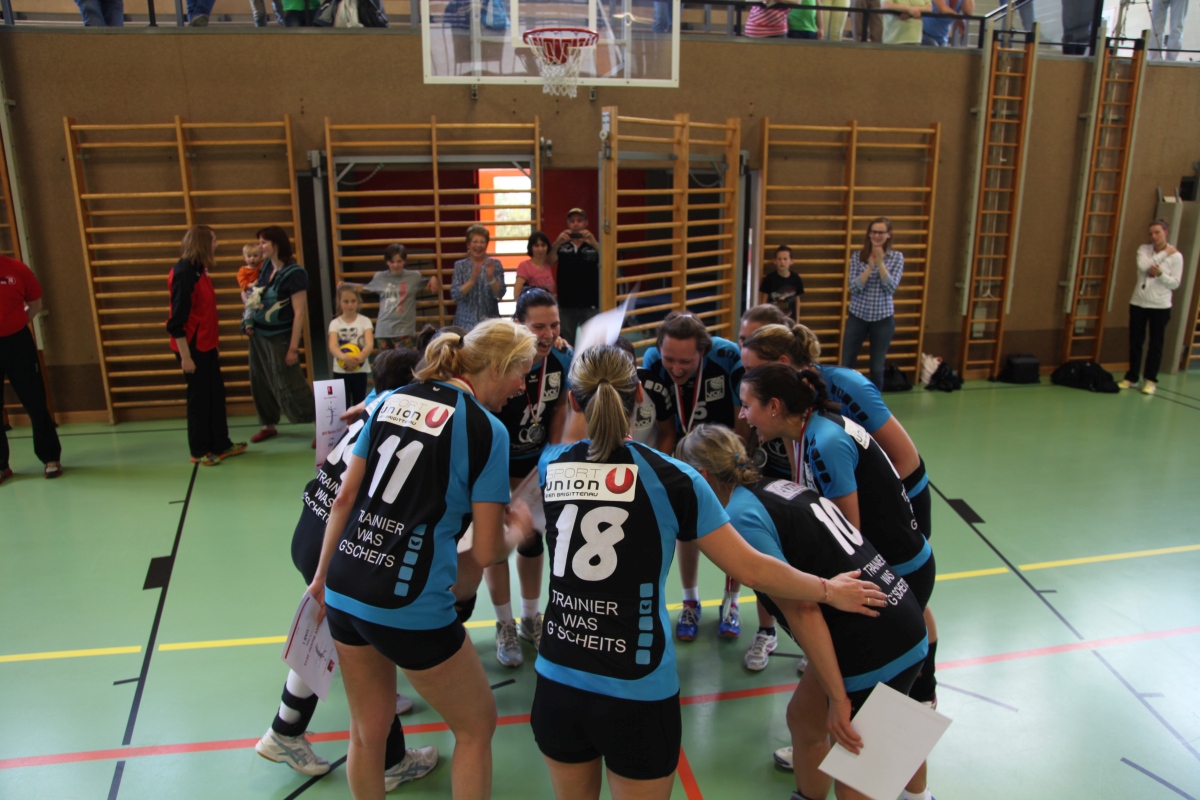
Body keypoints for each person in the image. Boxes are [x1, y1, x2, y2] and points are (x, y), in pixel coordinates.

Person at [531, 345, 889, 800]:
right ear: (640, 395)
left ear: (573, 400)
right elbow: (753, 569)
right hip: (636, 685)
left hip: (558, 678)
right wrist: (828, 590)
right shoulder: (675, 478)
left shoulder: (550, 465)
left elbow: (580, 446)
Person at [306, 318, 537, 800]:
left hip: (346, 583)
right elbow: (487, 551)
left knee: (367, 731)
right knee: (476, 727)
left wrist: (322, 576)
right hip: (409, 600)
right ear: (497, 367)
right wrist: (518, 531)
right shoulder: (486, 429)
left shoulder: (392, 399)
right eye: (521, 373)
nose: (522, 386)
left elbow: (344, 497)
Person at [676, 424, 931, 800]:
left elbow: (803, 612)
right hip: (896, 611)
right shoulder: (771, 488)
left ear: (702, 476)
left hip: (872, 640)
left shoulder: (741, 518)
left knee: (855, 770)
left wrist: (839, 700)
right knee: (805, 718)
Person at [256, 349, 433, 790]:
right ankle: (390, 761)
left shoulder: (373, 409)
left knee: (330, 635)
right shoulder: (402, 423)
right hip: (332, 544)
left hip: (307, 529)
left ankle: (285, 730)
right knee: (365, 646)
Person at [741, 323, 939, 701]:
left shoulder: (825, 442)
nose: (743, 415)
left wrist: (818, 590)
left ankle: (920, 700)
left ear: (775, 406)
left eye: (748, 405)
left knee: (882, 691)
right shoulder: (808, 429)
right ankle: (915, 700)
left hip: (898, 564)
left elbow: (849, 537)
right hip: (893, 560)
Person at [641, 313, 750, 640]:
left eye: (685, 361)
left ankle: (731, 601)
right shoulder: (652, 360)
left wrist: (734, 463)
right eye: (669, 359)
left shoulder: (727, 357)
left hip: (722, 454)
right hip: (681, 453)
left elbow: (743, 416)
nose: (675, 369)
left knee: (733, 528)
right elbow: (661, 420)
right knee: (686, 530)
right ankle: (690, 601)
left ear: (703, 350)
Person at [486, 288, 573, 667]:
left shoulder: (561, 359)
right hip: (496, 467)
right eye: (539, 326)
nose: (549, 334)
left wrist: (552, 454)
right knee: (494, 544)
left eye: (554, 325)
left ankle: (529, 618)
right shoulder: (499, 361)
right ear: (518, 325)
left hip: (534, 466)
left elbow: (559, 407)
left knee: (532, 540)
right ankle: (504, 624)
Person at [166, 225, 246, 467]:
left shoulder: (201, 269)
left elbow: (205, 312)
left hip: (206, 345)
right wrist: (185, 356)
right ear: (202, 243)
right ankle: (199, 449)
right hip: (191, 347)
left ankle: (221, 444)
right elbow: (177, 320)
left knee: (215, 395)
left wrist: (213, 344)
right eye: (213, 240)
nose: (217, 245)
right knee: (199, 400)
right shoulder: (184, 273)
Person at [245, 226, 315, 444]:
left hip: (280, 337)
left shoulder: (295, 273)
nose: (260, 247)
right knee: (260, 380)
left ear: (275, 245)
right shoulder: (266, 267)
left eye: (263, 242)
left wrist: (293, 347)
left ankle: (321, 425)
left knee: (291, 382)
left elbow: (299, 313)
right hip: (259, 336)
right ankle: (268, 424)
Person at [0, 254, 62, 484]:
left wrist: (16, 324)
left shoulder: (17, 269)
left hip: (17, 342)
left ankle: (50, 458)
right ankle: (1, 466)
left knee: (35, 401)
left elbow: (35, 304)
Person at [1119, 219, 1183, 396]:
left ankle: (1150, 380)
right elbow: (1143, 266)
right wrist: (1163, 254)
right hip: (1138, 303)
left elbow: (1175, 283)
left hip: (1160, 306)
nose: (1154, 237)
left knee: (1156, 344)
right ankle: (1132, 377)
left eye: (1157, 233)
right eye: (1151, 233)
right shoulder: (1144, 250)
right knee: (1135, 341)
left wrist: (1161, 274)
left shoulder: (1176, 256)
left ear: (1166, 232)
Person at [841, 217, 903, 390]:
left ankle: (874, 403)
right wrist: (869, 267)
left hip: (883, 319)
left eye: (881, 232)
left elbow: (890, 287)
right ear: (869, 234)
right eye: (873, 232)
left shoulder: (897, 257)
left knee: (876, 367)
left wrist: (881, 263)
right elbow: (854, 287)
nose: (876, 236)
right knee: (847, 363)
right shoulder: (858, 256)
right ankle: (842, 398)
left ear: (889, 234)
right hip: (858, 317)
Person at [360, 243, 438, 353]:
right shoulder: (380, 277)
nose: (395, 265)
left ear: (404, 261)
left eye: (399, 261)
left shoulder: (414, 277)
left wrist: (433, 278)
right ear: (387, 262)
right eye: (392, 262)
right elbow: (365, 287)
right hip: (384, 330)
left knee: (404, 361)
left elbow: (428, 281)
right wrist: (345, 285)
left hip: (404, 330)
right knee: (386, 362)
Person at [552, 209, 600, 346]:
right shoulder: (562, 245)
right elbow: (549, 261)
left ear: (586, 223)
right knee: (567, 344)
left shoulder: (593, 245)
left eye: (579, 220)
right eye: (572, 221)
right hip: (566, 304)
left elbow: (607, 261)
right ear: (568, 224)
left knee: (592, 343)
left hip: (590, 303)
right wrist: (557, 242)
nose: (576, 224)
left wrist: (594, 243)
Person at [328, 284, 375, 407]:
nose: (350, 305)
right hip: (341, 370)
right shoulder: (335, 323)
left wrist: (358, 359)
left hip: (360, 369)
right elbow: (333, 346)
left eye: (353, 301)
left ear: (358, 301)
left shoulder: (365, 321)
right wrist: (345, 358)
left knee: (359, 402)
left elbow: (369, 344)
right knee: (342, 404)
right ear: (339, 302)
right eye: (346, 301)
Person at [451, 225, 506, 331]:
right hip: (464, 324)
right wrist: (472, 281)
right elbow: (455, 295)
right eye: (475, 241)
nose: (478, 245)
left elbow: (501, 293)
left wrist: (491, 278)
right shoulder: (460, 266)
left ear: (486, 244)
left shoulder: (495, 264)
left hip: (490, 323)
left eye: (482, 242)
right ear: (468, 244)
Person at [758, 245, 805, 320]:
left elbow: (797, 300)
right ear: (775, 261)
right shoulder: (769, 278)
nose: (782, 262)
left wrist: (797, 320)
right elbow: (764, 300)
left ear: (791, 261)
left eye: (785, 259)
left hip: (789, 320)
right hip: (772, 319)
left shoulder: (796, 278)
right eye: (779, 259)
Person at [513, 231, 557, 298]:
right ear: (531, 247)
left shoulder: (547, 265)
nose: (540, 249)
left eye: (543, 245)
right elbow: (516, 294)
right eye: (536, 246)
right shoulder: (524, 266)